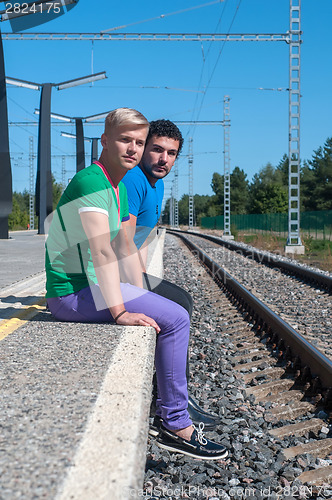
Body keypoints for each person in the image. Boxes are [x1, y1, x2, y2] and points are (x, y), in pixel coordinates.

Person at [45, 108, 228, 460]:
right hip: (71, 295)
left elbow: (126, 248)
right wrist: (121, 312)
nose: (133, 149)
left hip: (91, 287)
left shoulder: (115, 186)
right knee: (176, 319)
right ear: (105, 141)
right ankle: (175, 422)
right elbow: (101, 248)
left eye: (138, 142)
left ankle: (173, 410)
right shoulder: (92, 181)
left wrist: (142, 293)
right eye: (126, 140)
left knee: (173, 309)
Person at [122, 119, 222, 432]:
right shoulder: (133, 181)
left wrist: (141, 279)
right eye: (157, 149)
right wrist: (138, 292)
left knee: (183, 300)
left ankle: (173, 394)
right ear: (143, 149)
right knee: (176, 311)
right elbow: (122, 243)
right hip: (108, 275)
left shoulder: (158, 184)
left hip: (127, 271)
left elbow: (141, 239)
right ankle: (167, 401)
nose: (164, 158)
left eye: (172, 153)